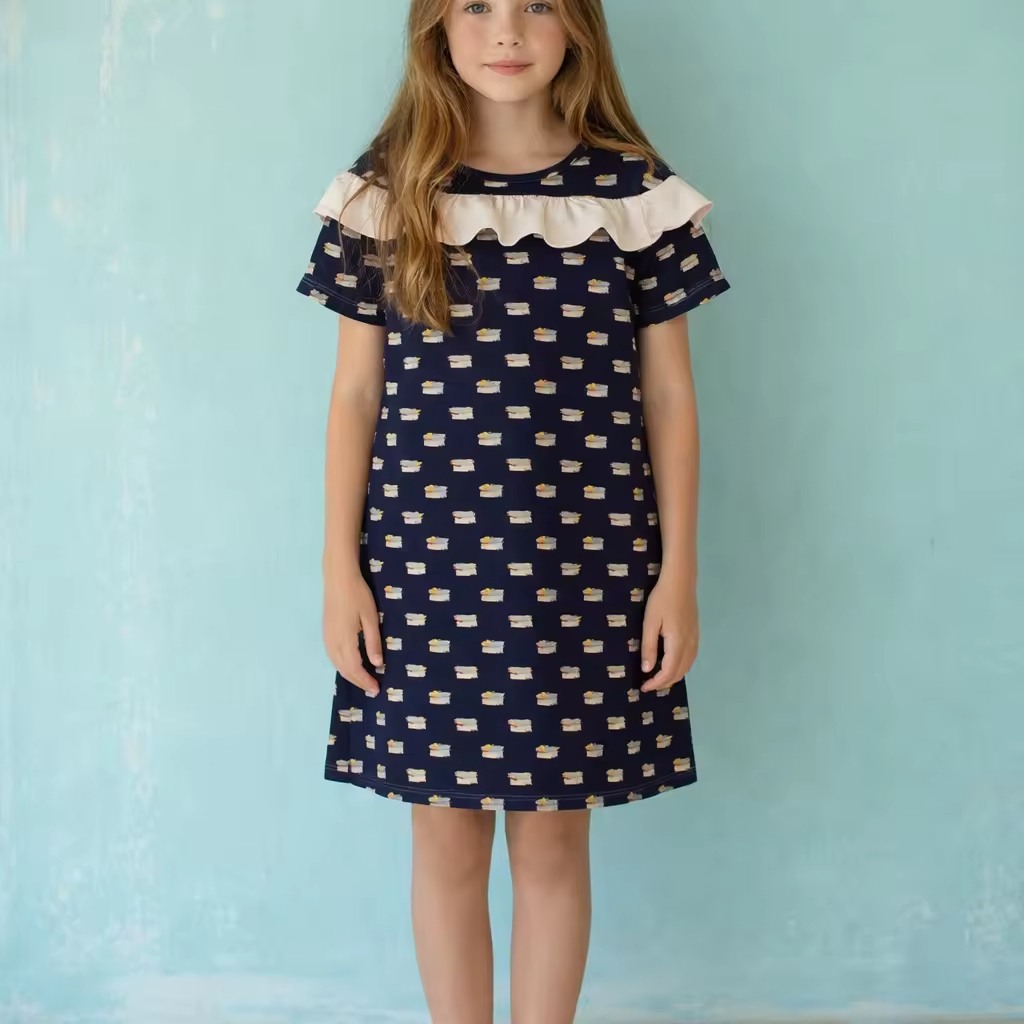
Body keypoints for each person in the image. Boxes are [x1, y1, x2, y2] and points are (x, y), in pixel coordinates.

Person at [296, 1, 730, 1021]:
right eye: (478, 6)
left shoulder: (633, 192)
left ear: (576, 25)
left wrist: (678, 574)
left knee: (554, 838)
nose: (507, 32)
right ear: (435, 27)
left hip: (584, 574)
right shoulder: (388, 189)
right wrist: (339, 570)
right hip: (422, 574)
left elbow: (669, 397)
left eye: (536, 4)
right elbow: (355, 396)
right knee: (445, 837)